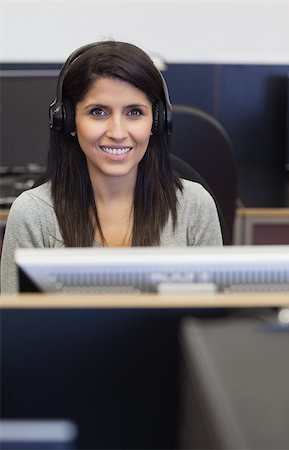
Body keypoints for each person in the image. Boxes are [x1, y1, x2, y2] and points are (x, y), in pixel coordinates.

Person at [0, 40, 222, 293]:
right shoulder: (33, 215)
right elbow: (13, 328)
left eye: (135, 112)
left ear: (157, 122)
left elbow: (211, 326)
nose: (117, 132)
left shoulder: (195, 207)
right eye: (98, 112)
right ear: (69, 120)